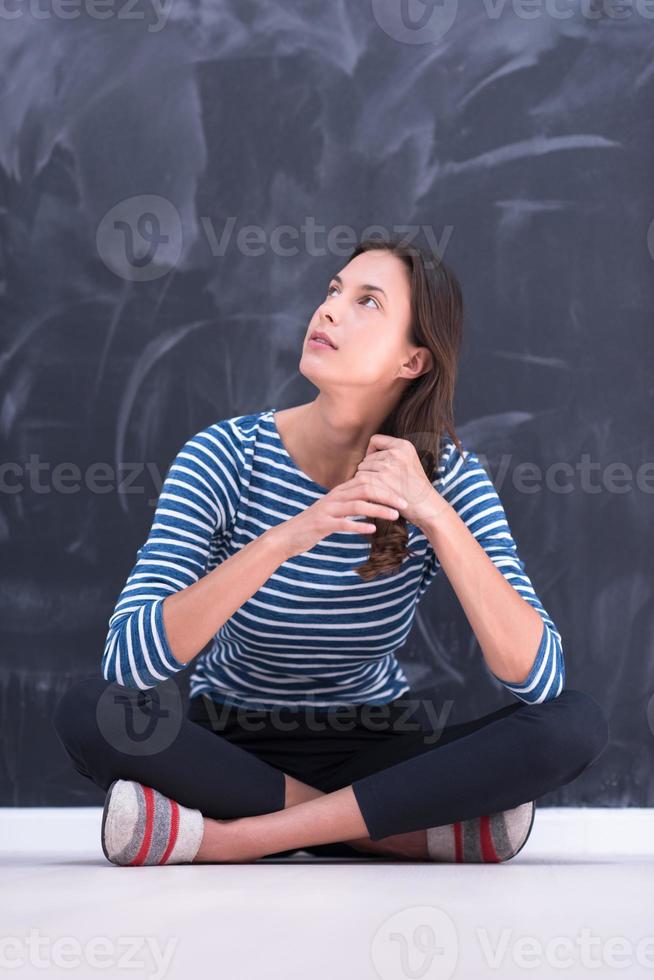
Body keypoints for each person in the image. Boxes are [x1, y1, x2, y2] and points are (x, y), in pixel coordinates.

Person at [53, 237, 609, 866]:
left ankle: (230, 839)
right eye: (333, 291)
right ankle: (394, 833)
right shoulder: (223, 457)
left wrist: (432, 510)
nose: (329, 310)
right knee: (90, 710)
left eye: (368, 301)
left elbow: (539, 677)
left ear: (413, 361)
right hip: (231, 741)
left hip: (377, 744)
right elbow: (128, 663)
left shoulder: (446, 479)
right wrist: (287, 538)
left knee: (575, 723)